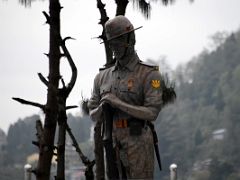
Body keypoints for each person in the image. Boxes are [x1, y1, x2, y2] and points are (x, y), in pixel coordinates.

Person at [88, 15, 163, 180]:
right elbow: (92, 114)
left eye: (117, 41)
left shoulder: (150, 74)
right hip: (111, 142)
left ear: (131, 38)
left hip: (138, 141)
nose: (114, 47)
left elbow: (152, 112)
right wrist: (102, 108)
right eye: (111, 43)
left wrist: (117, 103)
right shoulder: (102, 77)